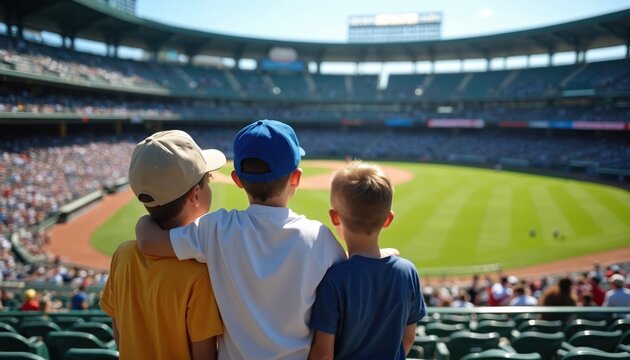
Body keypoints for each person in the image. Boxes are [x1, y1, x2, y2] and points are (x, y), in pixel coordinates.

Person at [135, 120, 347, 360]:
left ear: (237, 180)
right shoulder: (321, 238)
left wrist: (143, 221)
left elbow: (147, 242)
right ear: (296, 178)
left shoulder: (216, 228)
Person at [100, 130, 225, 360]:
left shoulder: (123, 255)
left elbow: (120, 337)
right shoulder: (199, 271)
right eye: (208, 180)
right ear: (195, 194)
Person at [308, 161, 426, 360]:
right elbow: (409, 337)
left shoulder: (334, 280)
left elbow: (323, 355)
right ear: (388, 219)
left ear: (334, 217)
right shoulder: (408, 271)